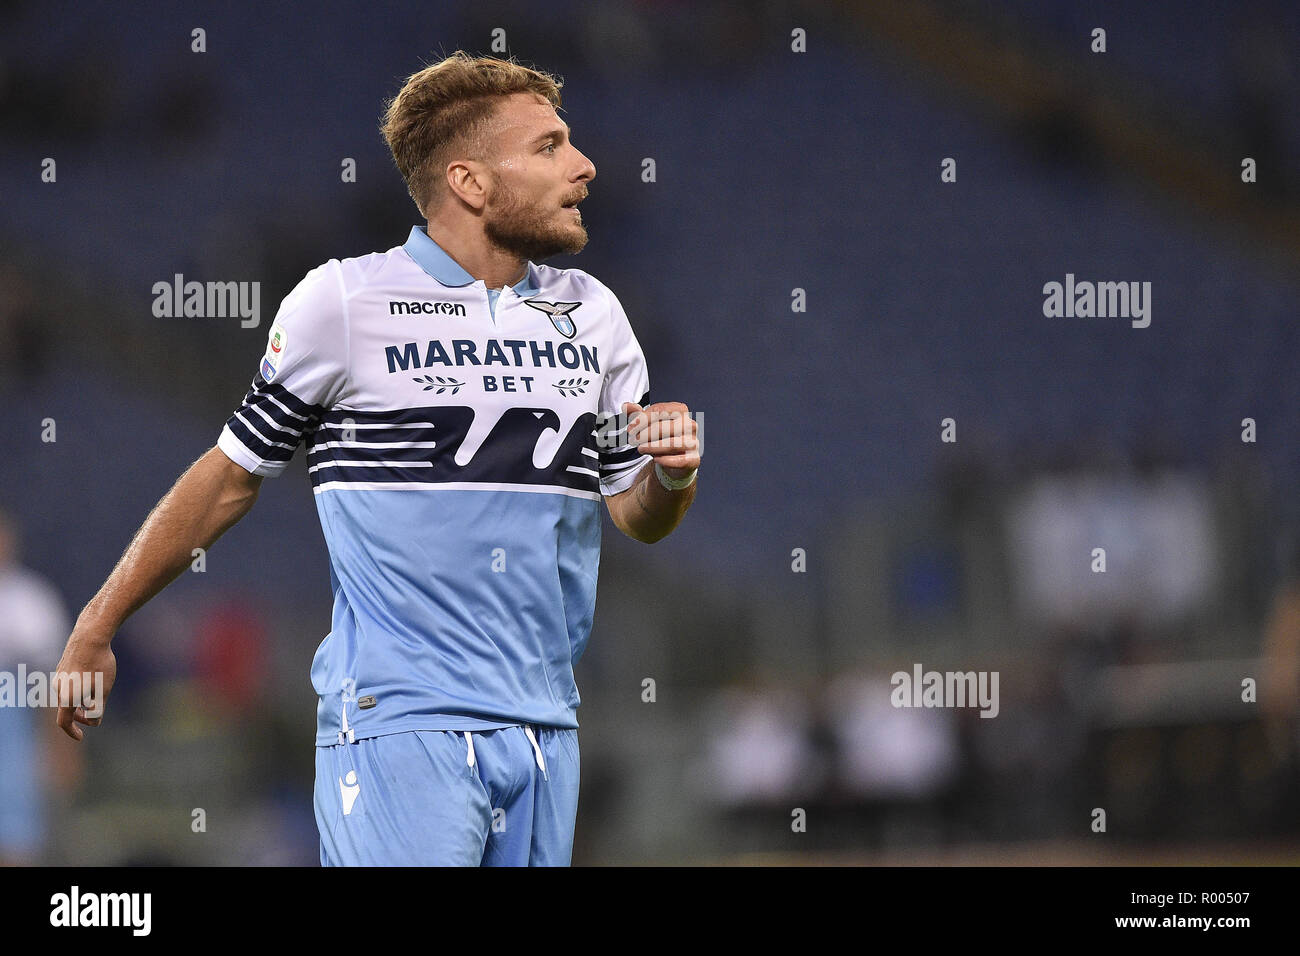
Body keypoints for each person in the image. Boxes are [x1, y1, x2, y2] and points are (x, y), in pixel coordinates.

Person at [53, 52, 701, 866]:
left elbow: (633, 514)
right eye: (548, 146)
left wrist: (669, 477)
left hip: (546, 728)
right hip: (402, 721)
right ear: (469, 181)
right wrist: (99, 622)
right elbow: (228, 477)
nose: (583, 164)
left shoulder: (594, 314)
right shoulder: (345, 303)